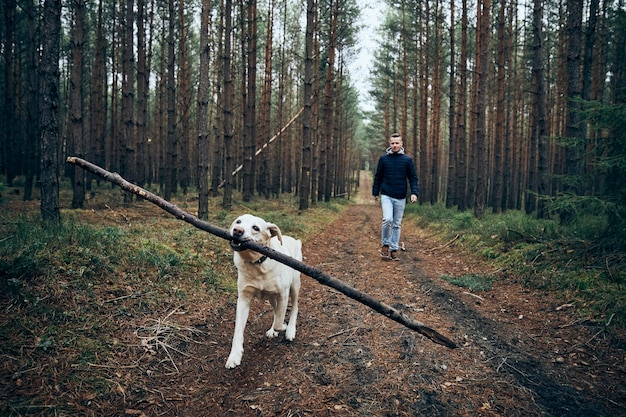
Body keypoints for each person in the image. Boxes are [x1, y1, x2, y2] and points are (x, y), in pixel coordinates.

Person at [372, 133, 419, 261]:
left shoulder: (407, 160)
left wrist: (414, 193)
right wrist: (375, 193)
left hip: (400, 196)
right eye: (392, 143)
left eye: (397, 143)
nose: (395, 145)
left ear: (401, 144)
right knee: (387, 219)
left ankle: (394, 249)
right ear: (389, 144)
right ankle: (385, 245)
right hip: (386, 194)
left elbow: (413, 178)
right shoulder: (383, 159)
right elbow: (378, 176)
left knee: (397, 224)